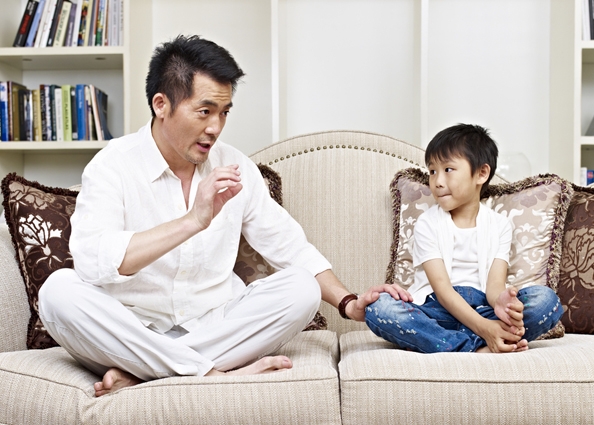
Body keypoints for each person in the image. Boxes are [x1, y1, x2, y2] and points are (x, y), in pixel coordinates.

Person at [38, 35, 410, 397]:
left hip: (215, 326)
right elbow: (93, 262)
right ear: (161, 105)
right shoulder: (112, 165)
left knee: (301, 288)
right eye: (204, 111)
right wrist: (192, 221)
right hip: (130, 328)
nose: (215, 128)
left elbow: (291, 248)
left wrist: (348, 303)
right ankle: (209, 374)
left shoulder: (235, 166)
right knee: (58, 293)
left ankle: (150, 373)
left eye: (224, 112)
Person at [365, 124, 563, 353]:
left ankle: (453, 343)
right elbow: (443, 290)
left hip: (483, 309)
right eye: (432, 171)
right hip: (434, 312)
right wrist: (485, 329)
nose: (437, 181)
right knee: (379, 307)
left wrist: (502, 302)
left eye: (448, 169)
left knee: (546, 301)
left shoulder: (499, 225)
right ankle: (478, 345)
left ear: (481, 173)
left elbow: (494, 286)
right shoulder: (428, 223)